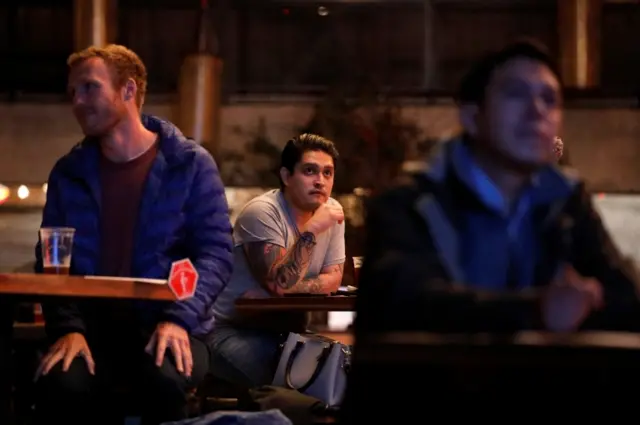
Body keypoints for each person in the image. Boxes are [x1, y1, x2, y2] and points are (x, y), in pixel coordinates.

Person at [353, 40, 640, 337]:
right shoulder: (411, 203)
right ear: (471, 117)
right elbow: (404, 308)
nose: (537, 110)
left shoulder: (565, 202)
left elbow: (627, 302)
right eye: (516, 94)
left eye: (550, 98)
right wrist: (537, 311)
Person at [33, 44, 233, 425]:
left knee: (162, 378)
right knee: (61, 383)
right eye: (73, 92)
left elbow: (215, 254)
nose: (77, 101)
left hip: (169, 323)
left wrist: (178, 318)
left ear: (128, 90)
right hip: (90, 331)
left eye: (89, 87)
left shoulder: (189, 164)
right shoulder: (68, 171)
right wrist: (68, 328)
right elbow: (52, 257)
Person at [209, 134, 345, 388]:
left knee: (342, 370)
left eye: (328, 173)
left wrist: (283, 288)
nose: (320, 181)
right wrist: (312, 230)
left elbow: (333, 280)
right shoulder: (262, 212)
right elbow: (279, 283)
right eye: (309, 171)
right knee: (306, 379)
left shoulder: (331, 212)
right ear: (286, 176)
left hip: (288, 334)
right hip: (230, 330)